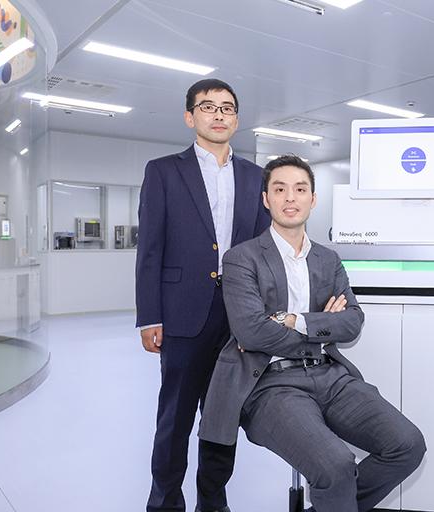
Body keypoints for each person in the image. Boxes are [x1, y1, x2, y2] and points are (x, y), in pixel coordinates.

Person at [199, 155, 426, 512]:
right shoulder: (242, 258)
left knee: (407, 444)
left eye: (300, 189)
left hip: (331, 376)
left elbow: (352, 321)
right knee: (335, 466)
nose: (291, 198)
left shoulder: (328, 260)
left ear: (313, 199)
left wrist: (295, 321)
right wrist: (321, 327)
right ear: (266, 199)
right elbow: (252, 333)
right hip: (270, 384)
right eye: (280, 189)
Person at [136, 78, 270, 512]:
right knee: (174, 418)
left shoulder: (256, 177)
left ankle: (213, 502)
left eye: (227, 108)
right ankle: (165, 502)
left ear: (237, 119)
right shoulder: (163, 171)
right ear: (190, 116)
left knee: (221, 418)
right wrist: (149, 315)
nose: (218, 114)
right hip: (182, 313)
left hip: (236, 317)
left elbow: (261, 249)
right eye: (208, 107)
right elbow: (150, 247)